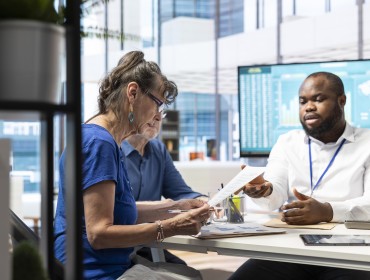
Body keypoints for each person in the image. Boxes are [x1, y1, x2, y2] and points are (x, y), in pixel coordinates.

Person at [54, 51, 211, 280]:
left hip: (101, 265)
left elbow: (118, 212)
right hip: (94, 273)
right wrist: (171, 227)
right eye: (157, 104)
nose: (158, 115)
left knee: (190, 275)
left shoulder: (102, 139)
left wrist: (176, 206)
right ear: (133, 92)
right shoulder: (99, 143)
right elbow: (99, 234)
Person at [230, 71, 370, 280]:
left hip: (351, 251)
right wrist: (264, 190)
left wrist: (326, 211)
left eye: (319, 99)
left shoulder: (367, 143)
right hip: (293, 248)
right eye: (302, 101)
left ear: (342, 101)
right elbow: (274, 194)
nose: (309, 107)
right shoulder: (287, 142)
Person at [122, 134, 206, 264]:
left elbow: (179, 191)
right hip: (119, 244)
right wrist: (168, 209)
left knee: (184, 271)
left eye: (162, 112)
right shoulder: (112, 148)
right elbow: (114, 209)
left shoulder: (158, 149)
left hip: (149, 242)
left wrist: (203, 201)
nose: (158, 117)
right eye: (154, 112)